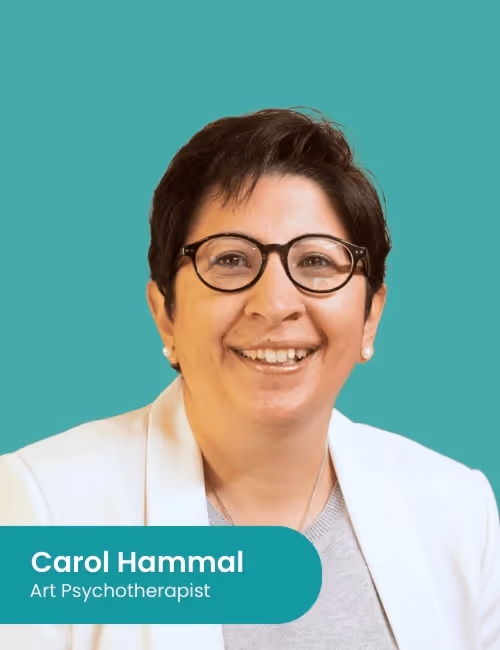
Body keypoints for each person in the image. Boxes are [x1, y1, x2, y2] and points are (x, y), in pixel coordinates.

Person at [0, 108, 498, 650]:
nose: (276, 303)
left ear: (370, 317)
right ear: (166, 313)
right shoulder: (46, 512)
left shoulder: (457, 509)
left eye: (316, 261)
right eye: (232, 260)